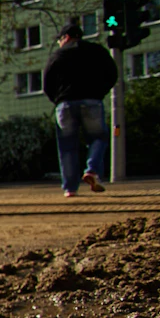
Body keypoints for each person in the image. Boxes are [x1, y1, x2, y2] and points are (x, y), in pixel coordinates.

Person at [41, 21, 118, 198]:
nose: (60, 42)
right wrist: (100, 93)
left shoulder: (57, 55)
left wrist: (57, 100)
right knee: (99, 137)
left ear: (66, 37)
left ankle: (70, 189)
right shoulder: (97, 51)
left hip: (65, 104)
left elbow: (47, 82)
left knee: (67, 147)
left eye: (60, 39)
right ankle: (92, 171)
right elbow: (112, 73)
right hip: (92, 101)